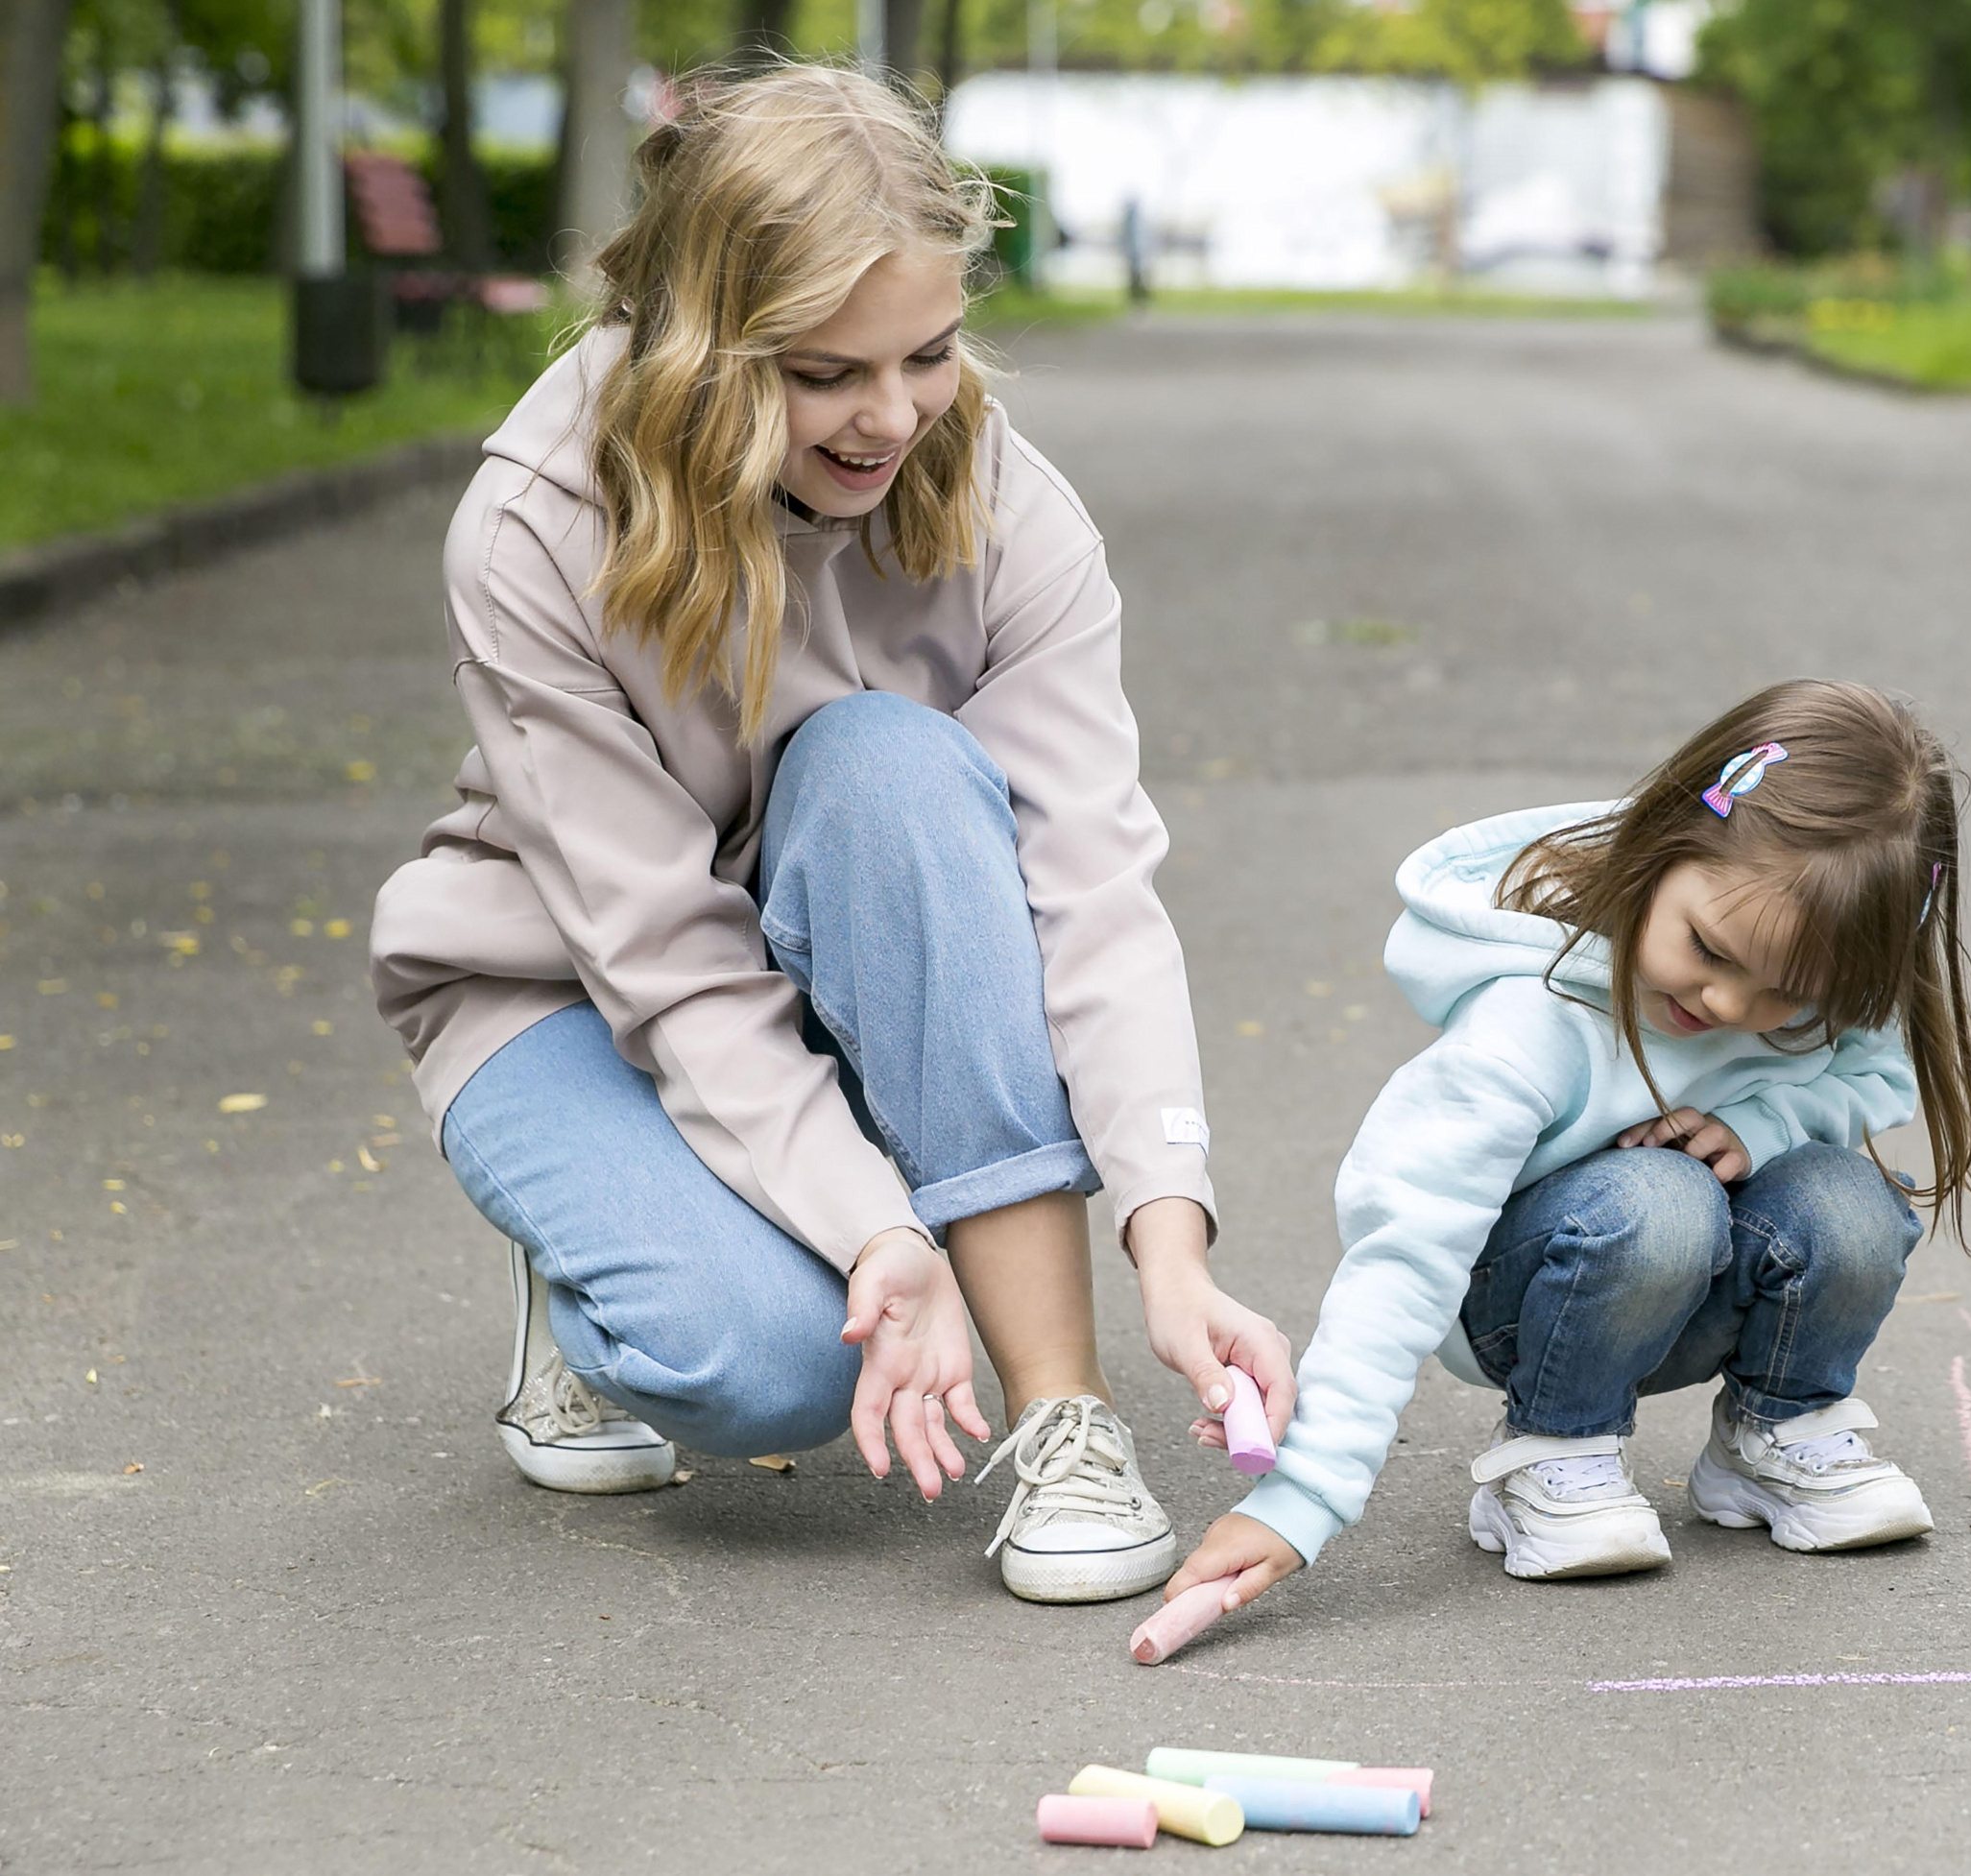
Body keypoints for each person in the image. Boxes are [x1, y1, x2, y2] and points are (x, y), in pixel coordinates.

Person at [368, 62, 1290, 1606]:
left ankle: (1067, 1414)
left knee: (885, 766)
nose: (890, 417)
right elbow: (659, 953)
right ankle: (589, 1256)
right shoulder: (534, 527)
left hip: (850, 963)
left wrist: (1168, 1234)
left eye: (926, 354)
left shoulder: (1002, 500)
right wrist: (875, 1229)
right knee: (779, 1364)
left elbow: (1091, 893)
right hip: (570, 996)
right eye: (822, 374)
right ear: (698, 349)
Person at [1164, 679, 1971, 1606]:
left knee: (1850, 1198)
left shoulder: (1817, 972)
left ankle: (1776, 1432)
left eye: (1787, 997)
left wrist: (1760, 1126)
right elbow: (1405, 1253)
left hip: (1689, 1291)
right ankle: (1555, 1448)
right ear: (1666, 843)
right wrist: (1303, 1496)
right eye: (1711, 952)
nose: (1732, 1009)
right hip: (1520, 1306)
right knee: (1658, 1198)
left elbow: (1875, 1076)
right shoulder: (1531, 1021)